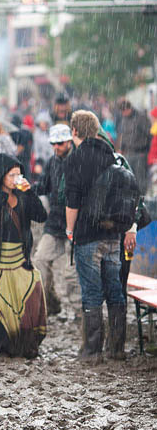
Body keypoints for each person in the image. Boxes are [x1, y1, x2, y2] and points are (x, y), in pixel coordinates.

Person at [65, 110, 129, 362]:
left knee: (92, 292)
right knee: (115, 290)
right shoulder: (110, 154)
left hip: (88, 234)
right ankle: (117, 348)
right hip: (113, 234)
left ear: (74, 132)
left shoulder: (77, 158)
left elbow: (72, 200)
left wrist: (70, 229)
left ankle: (92, 351)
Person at [0, 153, 47, 359]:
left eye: (19, 174)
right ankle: (4, 347)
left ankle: (28, 345)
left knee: (31, 297)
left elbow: (41, 216)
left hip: (21, 261)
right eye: (11, 174)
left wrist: (30, 192)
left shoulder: (24, 197)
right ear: (1, 176)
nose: (16, 178)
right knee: (0, 307)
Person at [33, 124, 80, 317]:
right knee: (39, 262)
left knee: (71, 273)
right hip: (55, 221)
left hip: (77, 222)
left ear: (69, 141)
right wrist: (28, 188)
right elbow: (44, 185)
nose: (56, 147)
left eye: (59, 143)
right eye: (53, 144)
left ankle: (82, 313)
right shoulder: (52, 162)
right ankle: (51, 303)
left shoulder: (80, 161)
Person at [116, 99, 151, 195]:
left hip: (140, 153)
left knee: (141, 180)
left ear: (129, 109)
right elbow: (123, 136)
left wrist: (146, 150)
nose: (123, 114)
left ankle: (142, 200)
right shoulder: (124, 119)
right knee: (129, 179)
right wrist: (121, 149)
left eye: (124, 111)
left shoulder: (141, 118)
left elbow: (149, 135)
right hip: (128, 153)